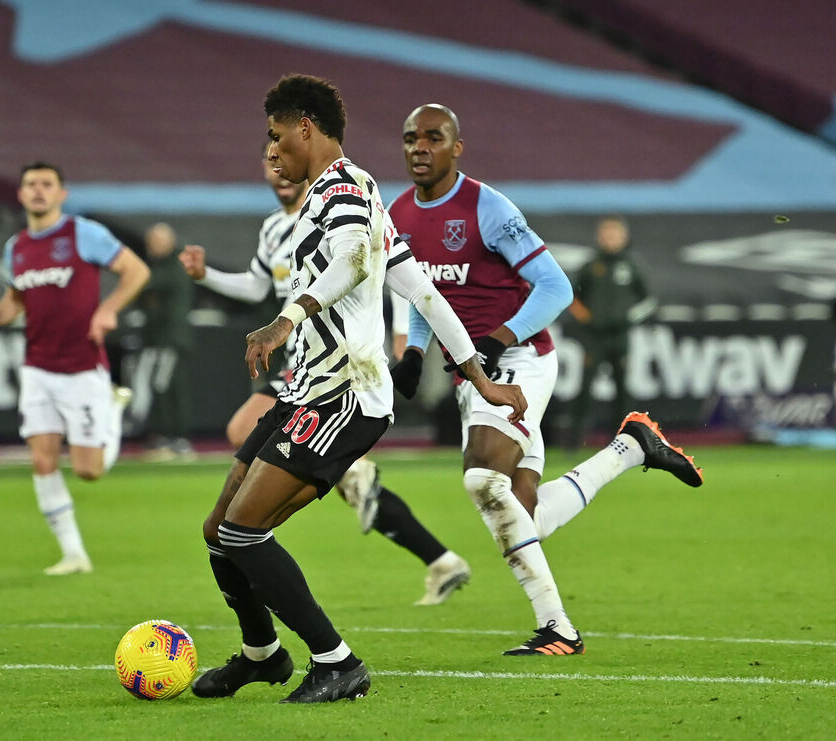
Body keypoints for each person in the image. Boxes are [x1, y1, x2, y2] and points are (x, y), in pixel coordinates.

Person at [191, 76, 525, 704]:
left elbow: (348, 261)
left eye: (276, 135)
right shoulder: (339, 194)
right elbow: (423, 291)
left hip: (343, 397)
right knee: (220, 532)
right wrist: (479, 375)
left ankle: (337, 663)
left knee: (242, 532)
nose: (271, 149)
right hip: (305, 392)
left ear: (306, 128)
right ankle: (262, 655)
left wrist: (288, 317)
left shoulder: (344, 190)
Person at [388, 104, 704, 657]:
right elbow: (424, 293)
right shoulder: (398, 214)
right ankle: (630, 449)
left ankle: (558, 628)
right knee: (522, 513)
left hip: (520, 359)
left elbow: (556, 287)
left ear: (456, 148)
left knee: (483, 480)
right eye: (411, 137)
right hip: (473, 373)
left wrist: (498, 339)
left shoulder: (488, 208)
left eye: (433, 137)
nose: (420, 146)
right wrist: (415, 351)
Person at [180, 142, 475, 607]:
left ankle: (302, 631)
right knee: (299, 472)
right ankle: (437, 557)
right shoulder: (274, 228)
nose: (277, 168)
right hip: (299, 360)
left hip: (336, 366)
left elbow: (384, 267)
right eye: (268, 160)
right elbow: (257, 286)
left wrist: (403, 341)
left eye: (282, 153)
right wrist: (207, 277)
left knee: (248, 461)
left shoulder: (341, 205)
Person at [0, 162, 149, 576]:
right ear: (20, 194)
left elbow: (136, 270)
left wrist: (108, 309)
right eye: (31, 184)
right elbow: (15, 301)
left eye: (47, 184)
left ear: (61, 194)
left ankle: (113, 408)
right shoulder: (17, 247)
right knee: (42, 459)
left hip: (82, 367)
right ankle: (73, 554)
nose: (38, 190)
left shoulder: (83, 233)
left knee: (88, 470)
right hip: (38, 367)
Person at [566, 214, 656, 449]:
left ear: (624, 236)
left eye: (615, 233)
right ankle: (575, 441)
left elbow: (648, 301)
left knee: (622, 390)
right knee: (585, 387)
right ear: (599, 236)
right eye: (606, 233)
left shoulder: (632, 265)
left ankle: (622, 440)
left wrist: (628, 318)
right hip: (594, 337)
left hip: (620, 336)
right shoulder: (590, 266)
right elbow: (572, 296)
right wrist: (586, 318)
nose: (610, 238)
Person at [136, 222, 195, 462]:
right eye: (151, 242)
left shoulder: (174, 266)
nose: (152, 246)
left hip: (171, 338)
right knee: (160, 386)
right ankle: (164, 436)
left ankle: (176, 438)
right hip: (160, 338)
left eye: (157, 241)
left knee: (169, 386)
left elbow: (148, 286)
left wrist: (146, 293)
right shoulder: (160, 265)